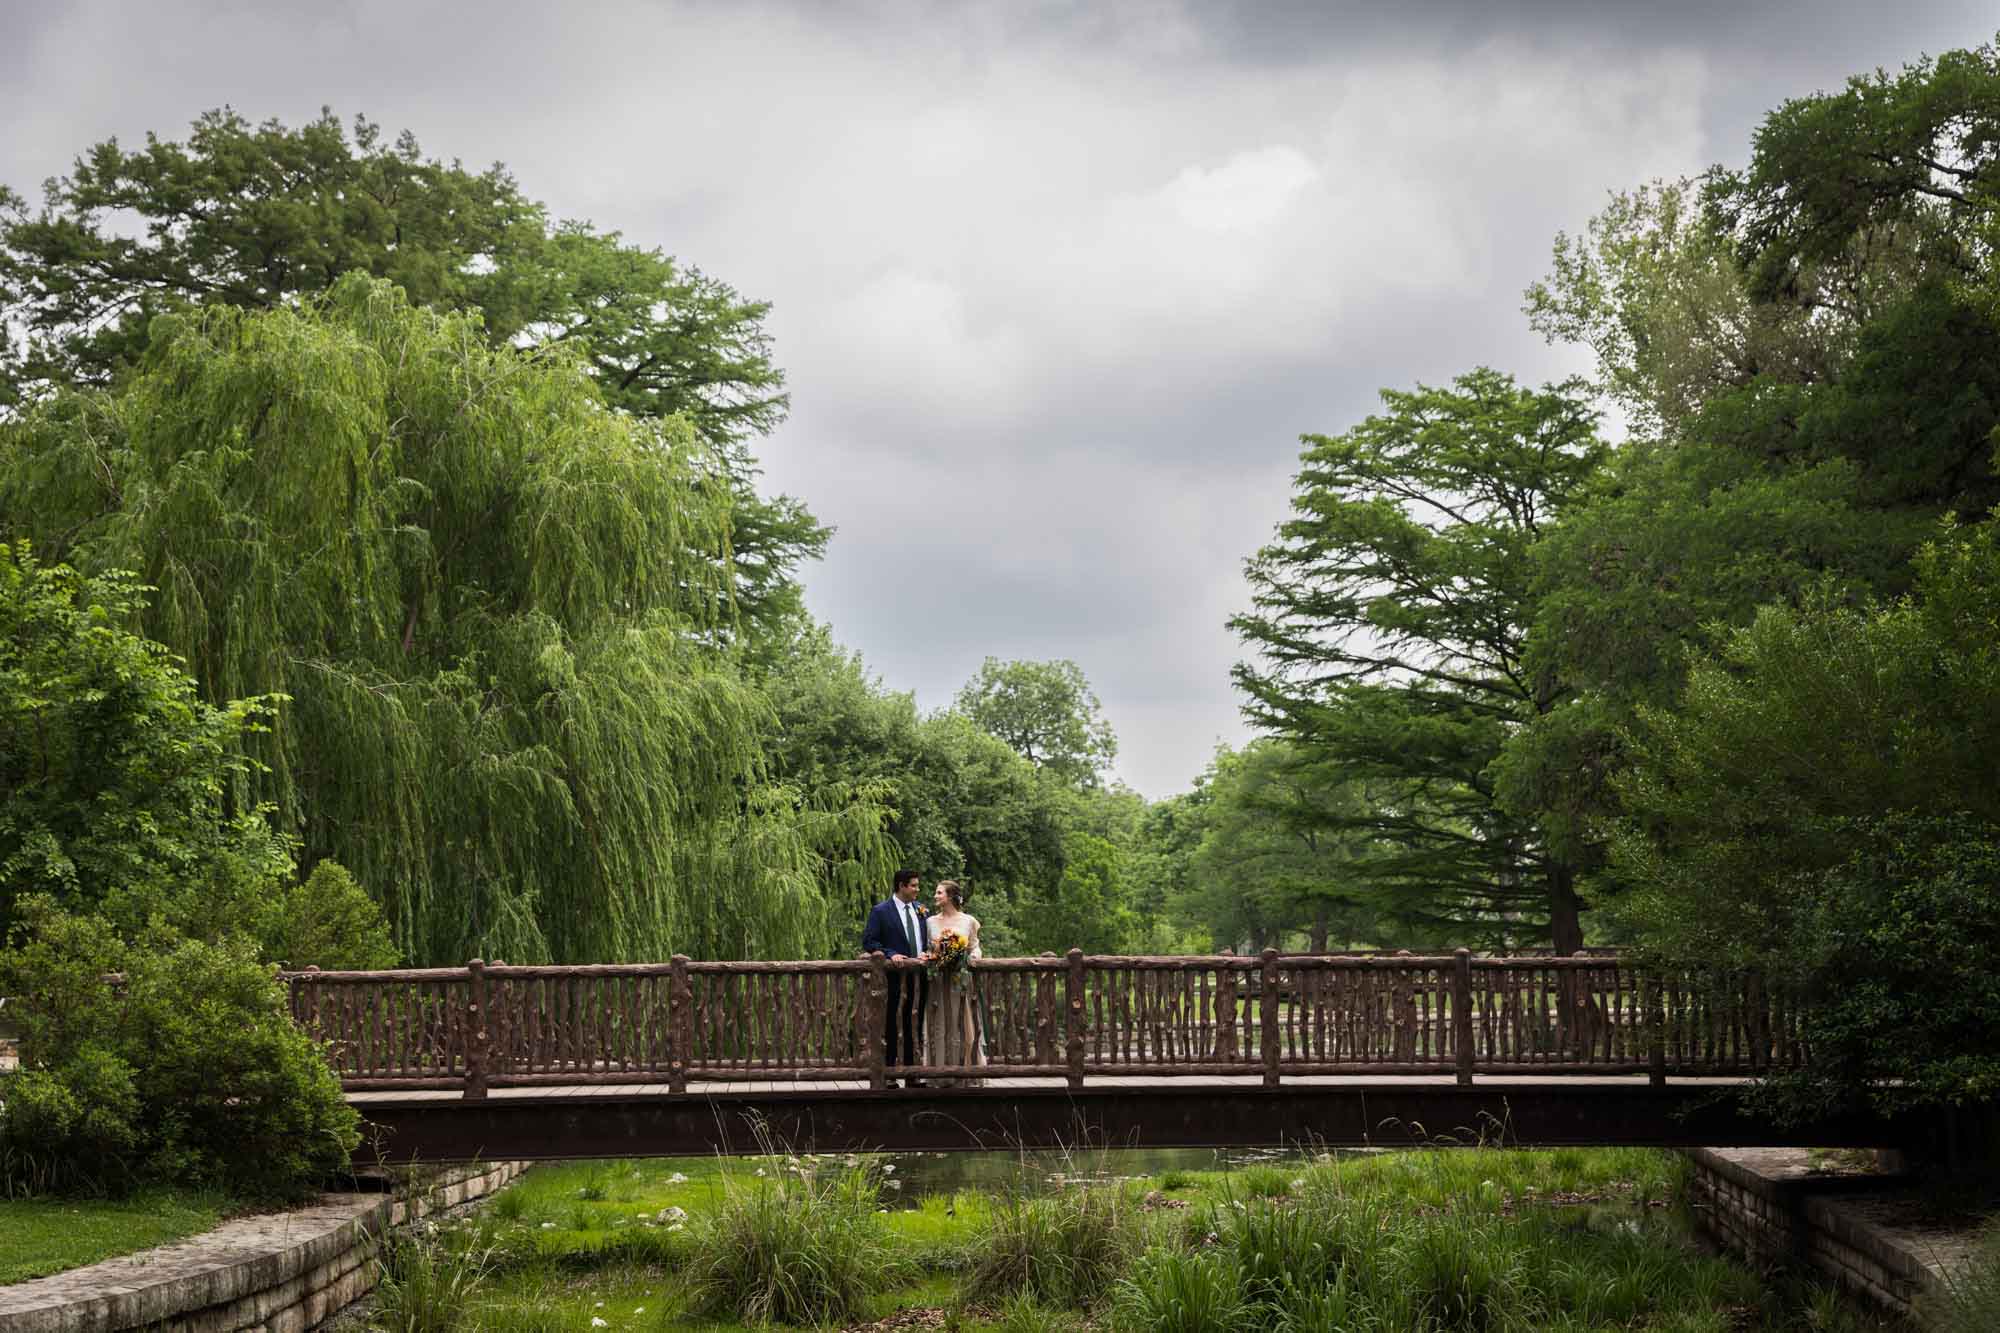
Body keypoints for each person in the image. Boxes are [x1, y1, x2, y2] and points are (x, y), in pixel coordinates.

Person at [861, 869, 928, 1087]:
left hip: (918, 978)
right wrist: (891, 954)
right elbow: (870, 942)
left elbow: (925, 940)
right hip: (892, 979)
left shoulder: (921, 911)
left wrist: (928, 953)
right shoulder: (881, 911)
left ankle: (912, 1074)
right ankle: (889, 1075)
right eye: (914, 885)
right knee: (890, 1025)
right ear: (901, 886)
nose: (918, 889)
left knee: (914, 1025)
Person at [925, 880, 986, 1085]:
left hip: (960, 981)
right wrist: (932, 956)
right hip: (938, 981)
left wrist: (974, 957)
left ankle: (966, 1073)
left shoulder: (968, 921)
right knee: (939, 1025)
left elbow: (975, 946)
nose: (935, 896)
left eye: (939, 892)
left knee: (962, 1025)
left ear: (951, 896)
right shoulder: (930, 922)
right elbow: (929, 949)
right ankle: (939, 1075)